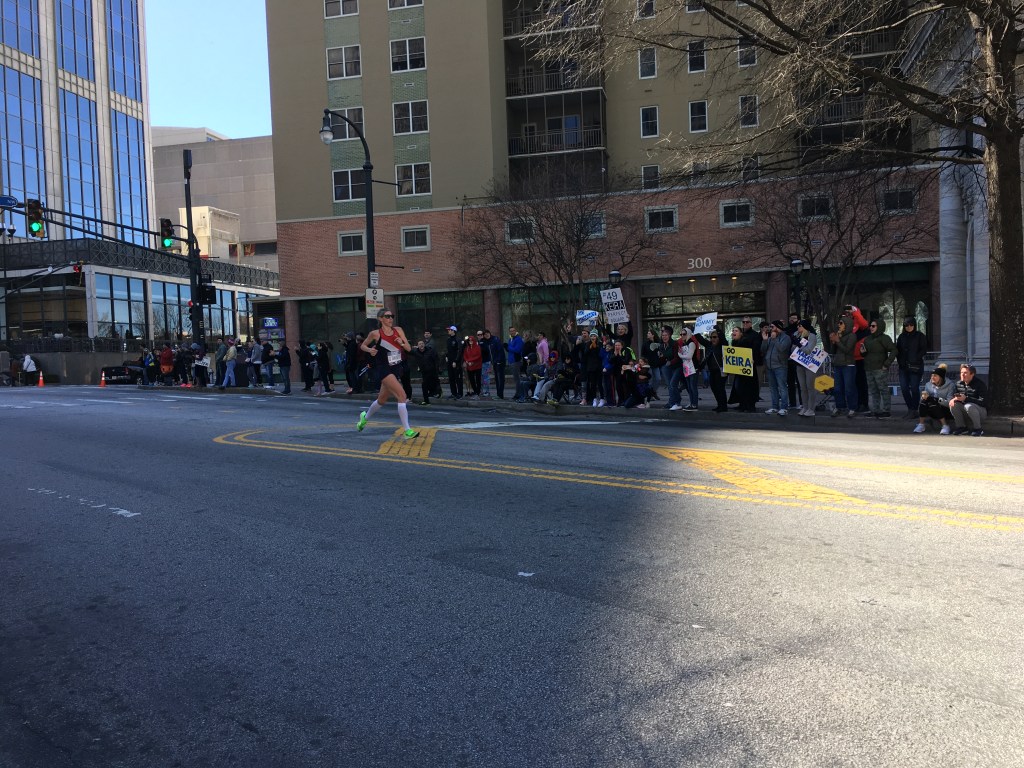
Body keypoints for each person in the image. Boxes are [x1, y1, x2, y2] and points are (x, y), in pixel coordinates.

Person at [356, 308, 419, 439]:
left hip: (396, 367)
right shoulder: (375, 334)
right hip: (383, 368)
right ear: (380, 319)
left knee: (381, 400)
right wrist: (370, 350)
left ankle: (364, 418)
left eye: (392, 316)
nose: (390, 319)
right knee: (402, 395)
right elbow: (362, 346)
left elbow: (408, 348)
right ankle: (407, 430)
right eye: (387, 316)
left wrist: (401, 343)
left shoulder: (398, 330)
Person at [860, 318, 897, 417]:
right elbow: (864, 354)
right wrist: (862, 352)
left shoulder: (884, 338)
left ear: (879, 327)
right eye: (870, 326)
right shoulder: (867, 339)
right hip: (869, 368)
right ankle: (876, 410)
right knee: (873, 390)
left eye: (873, 326)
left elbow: (894, 350)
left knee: (883, 389)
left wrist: (887, 363)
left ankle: (886, 410)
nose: (871, 328)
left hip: (880, 368)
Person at [826, 315, 858, 417]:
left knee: (849, 388)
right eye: (839, 323)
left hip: (848, 365)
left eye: (841, 323)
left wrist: (838, 341)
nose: (839, 325)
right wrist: (833, 342)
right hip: (838, 364)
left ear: (847, 325)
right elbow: (833, 351)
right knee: (837, 388)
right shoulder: (838, 335)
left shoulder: (852, 336)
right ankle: (840, 407)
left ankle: (852, 408)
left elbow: (847, 350)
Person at [896, 317, 928, 418]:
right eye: (906, 325)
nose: (909, 327)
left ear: (914, 325)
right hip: (903, 367)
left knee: (914, 388)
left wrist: (916, 358)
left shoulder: (920, 336)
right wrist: (900, 360)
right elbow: (897, 350)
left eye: (911, 325)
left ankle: (914, 409)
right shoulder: (901, 337)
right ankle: (910, 409)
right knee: (904, 388)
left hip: (915, 366)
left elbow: (924, 349)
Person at [761, 320, 792, 415]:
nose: (771, 329)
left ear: (778, 327)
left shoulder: (786, 338)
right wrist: (765, 340)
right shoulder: (770, 338)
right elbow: (763, 350)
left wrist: (774, 339)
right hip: (769, 366)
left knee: (782, 387)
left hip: (780, 366)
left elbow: (782, 349)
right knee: (773, 387)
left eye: (772, 327)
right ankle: (775, 406)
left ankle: (784, 407)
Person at [949, 363, 989, 436]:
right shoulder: (958, 384)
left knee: (968, 406)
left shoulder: (980, 384)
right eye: (961, 372)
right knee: (953, 405)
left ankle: (978, 429)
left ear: (972, 374)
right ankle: (962, 428)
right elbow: (954, 395)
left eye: (965, 373)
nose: (962, 375)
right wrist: (954, 399)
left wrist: (966, 399)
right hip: (965, 410)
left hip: (980, 411)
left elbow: (983, 402)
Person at [914, 364, 955, 434]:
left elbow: (949, 403)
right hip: (932, 410)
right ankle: (921, 424)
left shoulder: (950, 385)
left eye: (935, 376)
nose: (932, 377)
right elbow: (924, 399)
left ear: (941, 377)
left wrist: (937, 399)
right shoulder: (928, 385)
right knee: (924, 401)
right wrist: (923, 397)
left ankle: (945, 426)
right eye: (932, 375)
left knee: (933, 401)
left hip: (945, 411)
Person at [727, 325, 758, 412]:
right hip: (740, 370)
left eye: (736, 331)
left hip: (747, 370)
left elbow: (750, 351)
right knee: (739, 387)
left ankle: (749, 406)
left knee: (747, 387)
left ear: (741, 333)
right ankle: (743, 404)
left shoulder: (745, 341)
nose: (734, 332)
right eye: (733, 331)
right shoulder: (734, 342)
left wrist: (753, 359)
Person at [696, 328, 728, 412]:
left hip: (721, 370)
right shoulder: (709, 345)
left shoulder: (723, 345)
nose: (712, 339)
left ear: (719, 337)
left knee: (720, 388)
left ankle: (723, 406)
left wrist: (718, 329)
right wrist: (695, 330)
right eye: (711, 337)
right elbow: (700, 339)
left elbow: (723, 337)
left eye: (714, 337)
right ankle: (719, 405)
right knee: (714, 388)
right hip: (712, 370)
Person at [793, 320, 819, 417]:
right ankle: (805, 407)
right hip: (799, 364)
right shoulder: (797, 335)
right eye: (797, 325)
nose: (798, 327)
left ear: (805, 327)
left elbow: (808, 350)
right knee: (802, 387)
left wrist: (799, 344)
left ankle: (811, 409)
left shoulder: (812, 336)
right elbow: (792, 349)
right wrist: (796, 341)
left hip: (810, 364)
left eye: (800, 325)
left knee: (810, 387)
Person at [410, 339, 439, 405]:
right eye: (420, 344)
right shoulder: (416, 352)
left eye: (422, 343)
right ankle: (426, 400)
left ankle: (435, 393)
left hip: (432, 370)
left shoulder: (430, 350)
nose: (421, 345)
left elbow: (436, 359)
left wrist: (437, 368)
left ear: (424, 345)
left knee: (431, 384)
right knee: (425, 385)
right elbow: (408, 351)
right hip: (424, 371)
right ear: (417, 346)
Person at [482, 329, 505, 399]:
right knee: (497, 379)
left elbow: (500, 350)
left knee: (500, 378)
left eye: (487, 333)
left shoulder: (495, 340)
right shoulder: (487, 341)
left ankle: (500, 395)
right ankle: (498, 394)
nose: (486, 335)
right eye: (485, 334)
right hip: (494, 362)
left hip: (499, 362)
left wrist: (498, 361)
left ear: (489, 333)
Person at [445, 325, 464, 399]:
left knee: (458, 378)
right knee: (451, 378)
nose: (448, 331)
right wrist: (446, 356)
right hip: (449, 361)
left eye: (449, 330)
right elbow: (448, 350)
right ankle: (453, 393)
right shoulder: (448, 340)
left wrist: (455, 361)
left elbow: (459, 351)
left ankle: (460, 394)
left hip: (456, 362)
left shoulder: (457, 339)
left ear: (453, 331)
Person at [463, 332, 483, 397]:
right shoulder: (467, 348)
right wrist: (467, 361)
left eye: (471, 341)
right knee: (471, 379)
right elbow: (465, 356)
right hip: (470, 366)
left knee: (478, 379)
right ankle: (475, 391)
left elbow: (478, 356)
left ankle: (478, 391)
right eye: (469, 341)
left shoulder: (478, 347)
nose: (470, 342)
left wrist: (470, 361)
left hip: (477, 365)